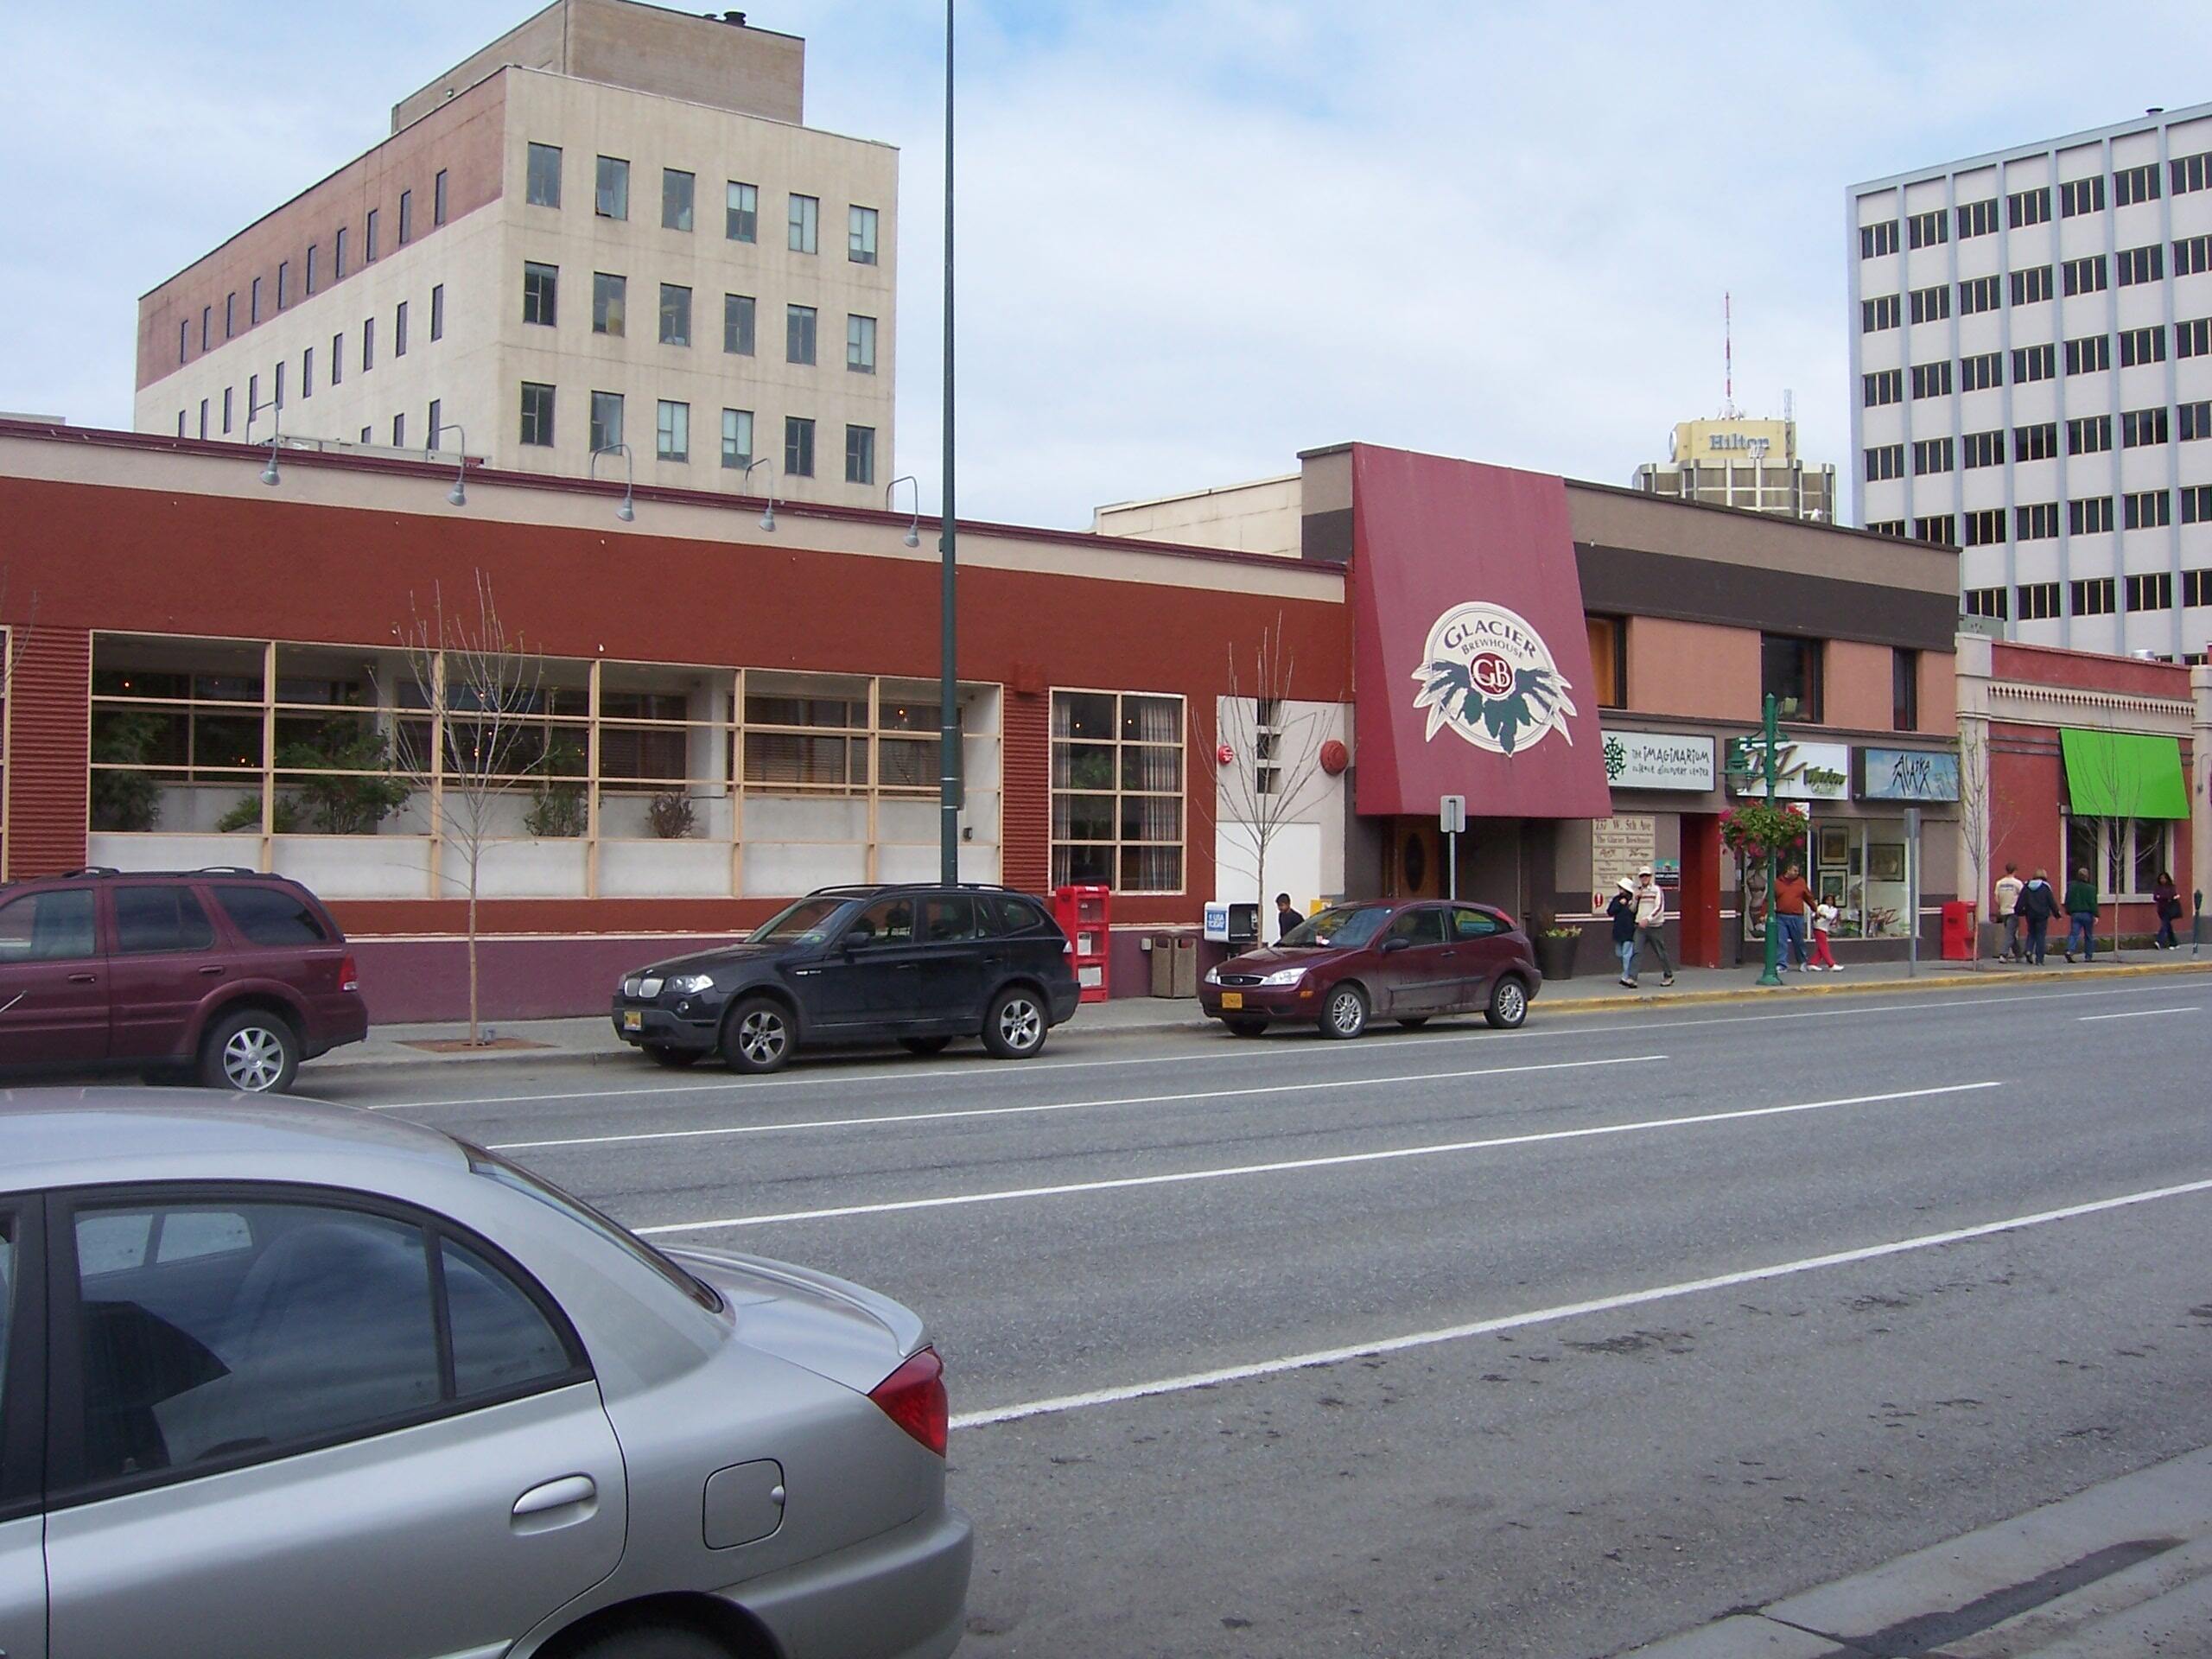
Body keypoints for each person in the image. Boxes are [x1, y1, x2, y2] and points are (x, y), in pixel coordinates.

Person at [1632, 866, 1675, 987]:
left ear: (1650, 876)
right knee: (1637, 951)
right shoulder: (1639, 891)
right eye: (1642, 876)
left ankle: (1668, 975)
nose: (1644, 878)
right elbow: (1633, 909)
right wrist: (1635, 899)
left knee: (1660, 952)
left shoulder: (1656, 890)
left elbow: (1659, 907)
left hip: (1655, 926)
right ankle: (1632, 978)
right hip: (1640, 926)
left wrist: (1648, 919)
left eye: (1646, 875)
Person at [1771, 862, 1814, 971]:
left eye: (1797, 871)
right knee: (1781, 941)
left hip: (1797, 916)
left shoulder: (1800, 882)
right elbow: (1769, 899)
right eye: (1794, 870)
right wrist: (1763, 914)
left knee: (1799, 941)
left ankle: (1802, 961)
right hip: (1781, 916)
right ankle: (1781, 964)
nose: (1797, 873)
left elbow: (1808, 898)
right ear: (1788, 870)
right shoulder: (1777, 883)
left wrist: (1815, 910)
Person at [2016, 868, 2060, 965]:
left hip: (2030, 914)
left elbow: (2021, 901)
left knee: (2031, 933)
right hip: (2042, 915)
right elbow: (2051, 902)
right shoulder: (2045, 887)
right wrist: (2057, 914)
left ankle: (2028, 950)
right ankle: (2039, 959)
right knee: (2040, 936)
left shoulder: (2027, 886)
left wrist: (2019, 912)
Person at [1606, 877, 1640, 987]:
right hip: (1618, 931)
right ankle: (1627, 972)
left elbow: (1636, 912)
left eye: (1622, 888)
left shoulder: (1633, 900)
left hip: (1629, 931)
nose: (1620, 890)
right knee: (1619, 953)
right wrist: (1619, 904)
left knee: (1627, 955)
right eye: (1619, 888)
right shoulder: (1617, 899)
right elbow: (1610, 911)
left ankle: (1626, 976)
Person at [2063, 864, 2098, 963]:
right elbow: (2093, 903)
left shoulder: (2072, 887)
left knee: (2074, 933)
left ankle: (2070, 950)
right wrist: (2096, 914)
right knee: (2089, 936)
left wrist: (2068, 911)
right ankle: (2088, 956)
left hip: (2075, 913)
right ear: (2087, 876)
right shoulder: (2091, 889)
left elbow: (2068, 900)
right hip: (2087, 914)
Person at [1993, 862, 2025, 962]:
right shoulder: (2018, 883)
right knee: (2010, 934)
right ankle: (2004, 954)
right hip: (2013, 911)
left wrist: (2001, 906)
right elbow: (2023, 897)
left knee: (2010, 932)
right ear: (2015, 870)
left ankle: (2018, 954)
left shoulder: (1999, 883)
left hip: (2003, 911)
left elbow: (1996, 897)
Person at [1808, 893, 1841, 972]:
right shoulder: (1822, 906)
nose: (1829, 902)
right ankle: (1831, 964)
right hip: (1818, 927)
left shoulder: (1834, 909)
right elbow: (1813, 915)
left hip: (1825, 928)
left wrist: (1822, 915)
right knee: (1824, 947)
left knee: (1821, 948)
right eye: (1827, 900)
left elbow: (1831, 917)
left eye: (1831, 900)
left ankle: (1812, 963)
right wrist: (1816, 915)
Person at [2152, 870, 2181, 950]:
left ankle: (2159, 941)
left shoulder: (2171, 887)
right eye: (2161, 878)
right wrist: (2164, 898)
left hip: (2169, 909)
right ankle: (2174, 943)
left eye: (2164, 878)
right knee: (2168, 926)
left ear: (2167, 879)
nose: (2162, 880)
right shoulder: (2158, 887)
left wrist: (2162, 897)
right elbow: (2155, 897)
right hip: (2161, 909)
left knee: (2165, 925)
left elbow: (2172, 896)